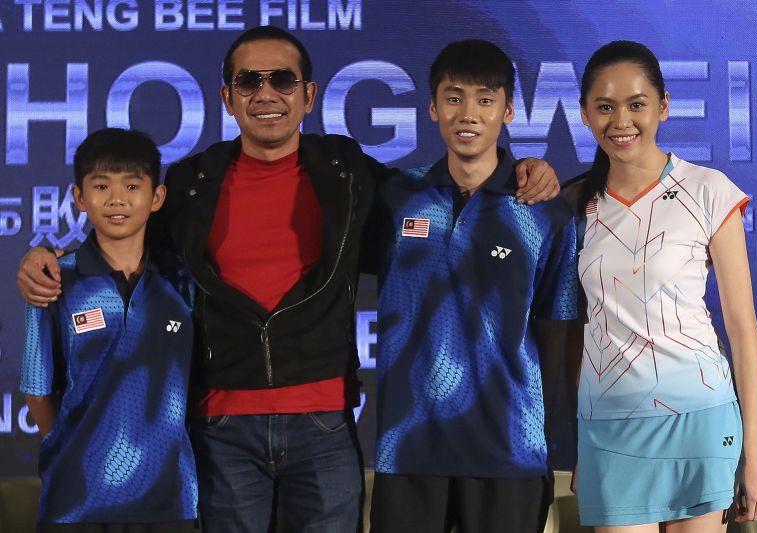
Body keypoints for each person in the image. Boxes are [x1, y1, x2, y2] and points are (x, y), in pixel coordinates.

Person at [16, 27, 560, 533]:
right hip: (223, 429)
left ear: (309, 95)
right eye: (248, 81)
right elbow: (122, 240)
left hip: (323, 424)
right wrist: (47, 255)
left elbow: (456, 197)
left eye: (282, 79)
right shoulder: (189, 185)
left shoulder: (350, 175)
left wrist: (526, 168)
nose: (266, 93)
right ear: (227, 97)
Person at [367, 40, 578, 533]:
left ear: (508, 111)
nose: (468, 114)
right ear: (432, 107)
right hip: (409, 447)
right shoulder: (395, 197)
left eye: (485, 99)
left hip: (510, 449)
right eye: (454, 97)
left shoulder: (545, 212)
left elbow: (559, 334)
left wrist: (555, 434)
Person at [562, 40, 757, 531]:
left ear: (663, 105)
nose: (621, 121)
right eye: (605, 107)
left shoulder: (708, 190)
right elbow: (572, 330)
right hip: (608, 426)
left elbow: (742, 327)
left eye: (636, 104)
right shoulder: (573, 204)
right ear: (585, 114)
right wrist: (580, 443)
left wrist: (755, 454)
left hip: (701, 417)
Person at [20, 128, 197, 533]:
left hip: (170, 499)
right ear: (79, 197)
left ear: (157, 197)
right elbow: (36, 389)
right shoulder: (54, 278)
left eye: (132, 186)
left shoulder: (185, 283)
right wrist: (72, 447)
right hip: (74, 501)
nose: (117, 199)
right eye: (101, 186)